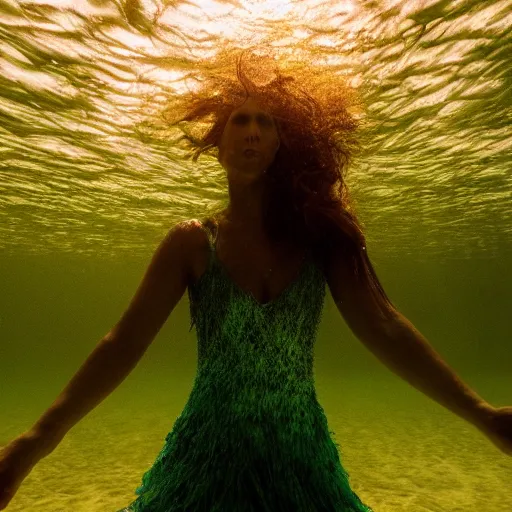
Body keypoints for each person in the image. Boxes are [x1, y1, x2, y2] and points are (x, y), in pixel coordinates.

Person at [1, 53, 511, 512]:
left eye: (264, 122)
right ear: (217, 143)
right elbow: (123, 344)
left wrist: (482, 414)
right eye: (239, 121)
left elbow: (386, 327)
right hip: (203, 457)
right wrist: (34, 443)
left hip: (303, 456)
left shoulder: (322, 240)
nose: (250, 130)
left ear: (279, 143)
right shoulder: (190, 242)